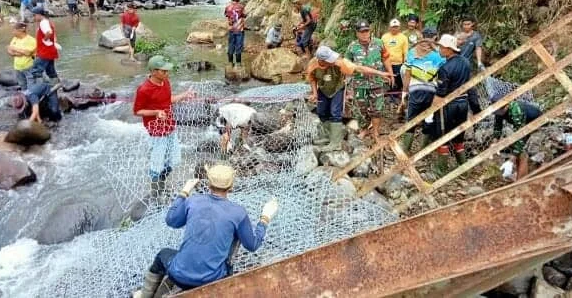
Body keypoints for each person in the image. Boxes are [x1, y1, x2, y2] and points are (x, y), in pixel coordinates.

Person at [132, 165, 278, 297]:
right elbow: (252, 245)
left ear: (208, 184)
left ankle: (145, 295)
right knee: (237, 233)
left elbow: (171, 220)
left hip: (178, 275)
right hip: (213, 281)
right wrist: (265, 218)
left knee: (162, 254)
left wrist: (184, 192)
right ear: (231, 186)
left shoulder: (193, 201)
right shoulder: (238, 213)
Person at [307, 45, 392, 151]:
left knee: (335, 113)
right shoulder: (312, 64)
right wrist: (315, 93)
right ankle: (328, 136)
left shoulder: (340, 63)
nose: (332, 61)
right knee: (321, 112)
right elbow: (312, 79)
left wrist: (380, 73)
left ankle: (336, 143)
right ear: (321, 60)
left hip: (337, 89)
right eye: (329, 60)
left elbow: (359, 68)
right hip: (323, 89)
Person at [133, 55, 194, 197]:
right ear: (153, 71)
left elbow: (168, 100)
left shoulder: (166, 82)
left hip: (170, 126)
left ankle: (162, 183)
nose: (167, 73)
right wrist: (156, 112)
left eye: (167, 71)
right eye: (163, 71)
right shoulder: (144, 90)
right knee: (157, 164)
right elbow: (137, 111)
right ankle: (156, 193)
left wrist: (184, 95)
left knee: (173, 160)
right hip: (156, 131)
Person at [346, 20, 394, 142]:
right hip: (359, 83)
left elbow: (386, 58)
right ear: (356, 33)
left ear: (369, 31)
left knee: (377, 109)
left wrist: (391, 73)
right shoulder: (352, 46)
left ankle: (375, 131)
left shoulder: (378, 43)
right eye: (361, 32)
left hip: (377, 82)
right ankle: (364, 129)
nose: (364, 34)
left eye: (366, 31)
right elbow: (347, 65)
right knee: (360, 109)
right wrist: (347, 85)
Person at [399, 27, 445, 148]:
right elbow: (444, 72)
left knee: (411, 118)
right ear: (435, 37)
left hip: (415, 89)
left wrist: (404, 92)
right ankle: (423, 149)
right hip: (431, 91)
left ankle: (405, 149)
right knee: (429, 118)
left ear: (422, 35)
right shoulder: (438, 54)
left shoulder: (413, 51)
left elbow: (407, 73)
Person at [432, 34, 471, 172]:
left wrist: (431, 111)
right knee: (459, 137)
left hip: (449, 106)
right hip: (463, 103)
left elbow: (441, 93)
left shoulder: (445, 68)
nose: (440, 50)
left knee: (442, 136)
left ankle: (441, 170)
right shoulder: (466, 62)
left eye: (442, 47)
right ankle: (464, 169)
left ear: (449, 49)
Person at [491, 94, 542, 179]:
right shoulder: (499, 109)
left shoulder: (516, 110)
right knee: (518, 150)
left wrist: (511, 161)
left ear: (507, 105)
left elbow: (521, 136)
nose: (499, 113)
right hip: (525, 126)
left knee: (525, 152)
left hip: (538, 125)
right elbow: (497, 126)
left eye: (501, 111)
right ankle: (520, 177)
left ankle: (522, 181)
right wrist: (494, 143)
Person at [381, 19, 408, 101]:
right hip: (387, 62)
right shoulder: (384, 37)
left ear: (399, 27)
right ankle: (391, 93)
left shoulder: (403, 37)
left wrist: (405, 62)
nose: (394, 29)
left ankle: (395, 94)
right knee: (388, 77)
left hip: (398, 62)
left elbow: (405, 51)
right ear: (389, 27)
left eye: (396, 27)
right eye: (393, 27)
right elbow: (381, 49)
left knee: (398, 79)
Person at [30, 8, 59, 85]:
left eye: (34, 15)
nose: (34, 17)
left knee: (35, 70)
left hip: (45, 51)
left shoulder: (43, 23)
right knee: (50, 70)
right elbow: (52, 33)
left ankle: (39, 88)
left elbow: (49, 32)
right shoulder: (48, 22)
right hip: (50, 50)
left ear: (39, 15)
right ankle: (55, 85)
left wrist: (44, 39)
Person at [7, 22, 36, 90]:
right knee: (22, 85)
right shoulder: (15, 39)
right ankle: (25, 98)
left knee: (31, 85)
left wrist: (15, 49)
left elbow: (28, 53)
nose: (12, 32)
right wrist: (18, 53)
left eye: (14, 30)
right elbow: (9, 50)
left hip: (28, 66)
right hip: (17, 67)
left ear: (20, 30)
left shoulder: (31, 40)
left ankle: (33, 99)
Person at [224, 0, 245, 67]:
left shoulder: (228, 7)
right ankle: (238, 64)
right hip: (239, 29)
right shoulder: (241, 7)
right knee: (239, 45)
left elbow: (226, 15)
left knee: (231, 45)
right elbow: (245, 15)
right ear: (238, 0)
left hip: (231, 29)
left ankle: (230, 63)